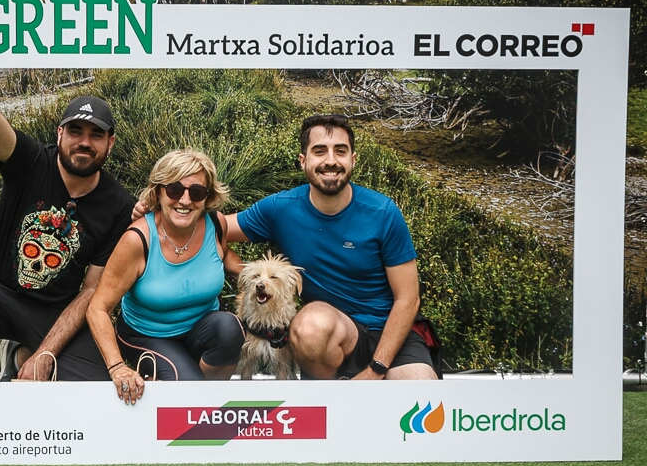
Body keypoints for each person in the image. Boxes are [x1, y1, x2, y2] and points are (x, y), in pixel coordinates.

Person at [0, 0, 135, 381]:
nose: (84, 142)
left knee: (94, 388)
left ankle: (22, 355)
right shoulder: (28, 160)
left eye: (95, 134)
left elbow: (91, 292)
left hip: (56, 315)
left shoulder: (119, 204)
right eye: (75, 131)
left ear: (110, 144)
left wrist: (43, 355)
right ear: (59, 133)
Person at [226, 113, 437, 380]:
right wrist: (164, 211)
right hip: (331, 333)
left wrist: (376, 371)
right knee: (310, 327)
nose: (330, 160)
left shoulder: (382, 212)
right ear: (303, 161)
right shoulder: (280, 209)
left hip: (391, 334)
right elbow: (216, 228)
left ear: (352, 159)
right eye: (319, 151)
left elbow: (408, 299)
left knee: (419, 390)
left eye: (340, 150)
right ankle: (328, 398)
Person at [87, 149, 246, 404]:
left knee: (230, 330)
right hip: (147, 334)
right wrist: (117, 367)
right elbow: (97, 308)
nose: (185, 200)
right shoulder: (138, 240)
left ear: (207, 197)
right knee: (187, 387)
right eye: (174, 190)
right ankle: (191, 397)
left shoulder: (215, 225)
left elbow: (224, 256)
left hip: (199, 328)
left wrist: (262, 277)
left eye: (196, 192)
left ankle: (198, 399)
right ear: (158, 192)